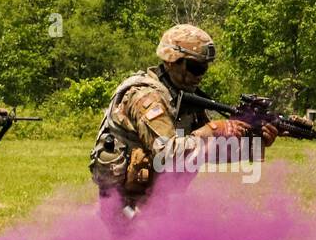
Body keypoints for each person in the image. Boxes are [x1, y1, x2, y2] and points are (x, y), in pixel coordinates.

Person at [89, 24, 275, 220]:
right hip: (126, 209)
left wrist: (252, 144)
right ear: (171, 61)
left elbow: (202, 152)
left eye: (204, 67)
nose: (200, 75)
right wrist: (213, 129)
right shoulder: (147, 98)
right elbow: (167, 153)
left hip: (157, 203)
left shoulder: (182, 98)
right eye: (195, 67)